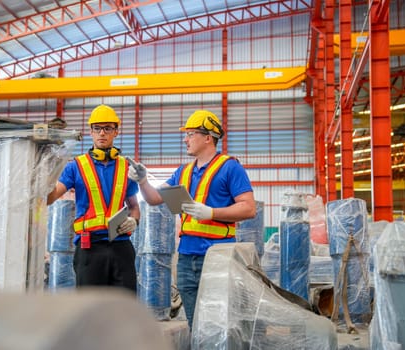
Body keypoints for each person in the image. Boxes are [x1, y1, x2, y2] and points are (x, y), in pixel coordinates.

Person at [128, 110, 256, 328]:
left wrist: (212, 213)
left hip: (217, 256)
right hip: (187, 257)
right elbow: (154, 199)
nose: (185, 139)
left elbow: (249, 208)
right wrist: (142, 181)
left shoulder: (230, 167)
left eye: (190, 134)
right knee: (195, 322)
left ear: (208, 137)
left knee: (219, 323)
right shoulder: (183, 172)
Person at [47, 104, 140, 293]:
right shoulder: (76, 166)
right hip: (89, 247)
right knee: (91, 308)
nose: (102, 133)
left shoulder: (126, 167)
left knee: (125, 307)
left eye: (107, 128)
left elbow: (134, 207)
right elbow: (50, 198)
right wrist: (47, 166)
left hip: (121, 245)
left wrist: (134, 221)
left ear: (116, 132)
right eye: (97, 128)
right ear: (91, 132)